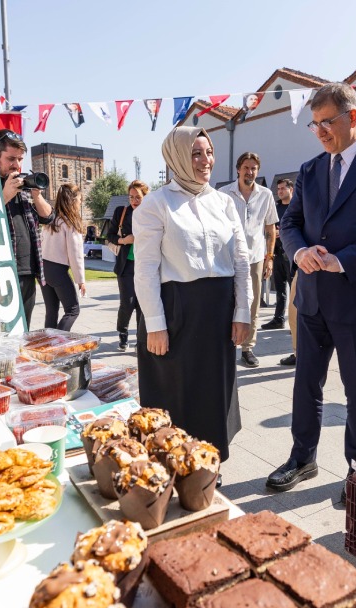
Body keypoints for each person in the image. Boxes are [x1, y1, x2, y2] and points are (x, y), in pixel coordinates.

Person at [266, 82, 356, 500]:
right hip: (311, 297)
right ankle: (302, 456)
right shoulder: (311, 169)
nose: (320, 131)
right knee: (306, 382)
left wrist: (339, 258)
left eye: (326, 122)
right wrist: (300, 251)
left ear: (353, 116)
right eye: (314, 125)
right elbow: (289, 224)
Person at [134, 126, 251, 458]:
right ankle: (174, 464)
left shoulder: (225, 203)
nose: (205, 161)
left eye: (209, 152)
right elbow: (144, 269)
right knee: (177, 395)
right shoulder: (156, 205)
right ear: (176, 158)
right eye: (196, 153)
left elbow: (241, 261)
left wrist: (242, 312)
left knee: (214, 395)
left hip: (218, 313)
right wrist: (155, 324)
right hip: (176, 312)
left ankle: (209, 464)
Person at [220, 152, 279, 368]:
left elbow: (271, 229)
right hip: (227, 258)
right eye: (246, 167)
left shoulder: (266, 195)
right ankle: (226, 345)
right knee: (227, 302)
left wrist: (270, 257)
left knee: (252, 304)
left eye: (254, 168)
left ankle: (247, 348)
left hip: (255, 258)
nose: (250, 172)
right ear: (238, 169)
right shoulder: (224, 194)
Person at [0, 130, 54, 326]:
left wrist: (37, 195)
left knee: (24, 328)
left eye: (20, 159)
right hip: (1, 271)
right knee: (4, 329)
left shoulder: (23, 184)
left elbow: (49, 217)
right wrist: (4, 196)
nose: (16, 165)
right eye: (10, 158)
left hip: (28, 270)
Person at [38, 183, 86, 331]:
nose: (80, 203)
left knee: (51, 312)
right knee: (72, 310)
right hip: (58, 270)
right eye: (79, 200)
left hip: (43, 269)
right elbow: (75, 254)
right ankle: (58, 344)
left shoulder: (51, 221)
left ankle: (47, 346)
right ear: (72, 201)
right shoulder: (70, 223)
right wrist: (81, 281)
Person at [111, 181, 149, 351]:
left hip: (146, 266)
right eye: (131, 197)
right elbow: (110, 235)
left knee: (143, 304)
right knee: (128, 302)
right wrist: (124, 240)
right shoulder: (122, 211)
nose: (134, 200)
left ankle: (140, 340)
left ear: (145, 197)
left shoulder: (151, 213)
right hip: (126, 266)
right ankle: (123, 333)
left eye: (138, 197)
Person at [262, 177, 294, 332]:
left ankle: (296, 321)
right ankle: (278, 319)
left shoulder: (297, 207)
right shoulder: (275, 207)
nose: (280, 191)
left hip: (292, 255)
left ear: (291, 189)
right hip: (277, 254)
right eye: (278, 189)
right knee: (280, 289)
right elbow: (267, 226)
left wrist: (284, 232)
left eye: (283, 188)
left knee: (295, 290)